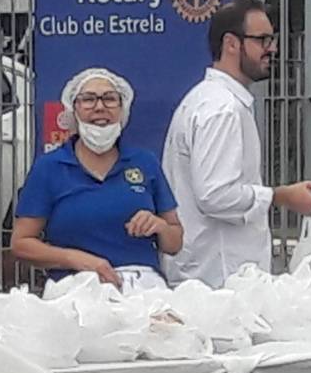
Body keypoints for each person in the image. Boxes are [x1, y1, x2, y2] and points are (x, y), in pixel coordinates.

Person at [162, 0, 311, 285]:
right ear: (231, 44)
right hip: (219, 278)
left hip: (214, 274)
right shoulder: (222, 109)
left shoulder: (210, 100)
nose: (272, 48)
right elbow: (215, 196)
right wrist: (280, 196)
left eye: (272, 39)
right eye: (262, 40)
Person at [12, 66, 183, 286]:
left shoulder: (145, 162)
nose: (100, 107)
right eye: (88, 99)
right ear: (73, 109)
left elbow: (175, 243)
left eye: (110, 99)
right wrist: (75, 259)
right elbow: (21, 243)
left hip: (142, 286)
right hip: (75, 287)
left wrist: (159, 226)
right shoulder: (50, 167)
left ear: (122, 109)